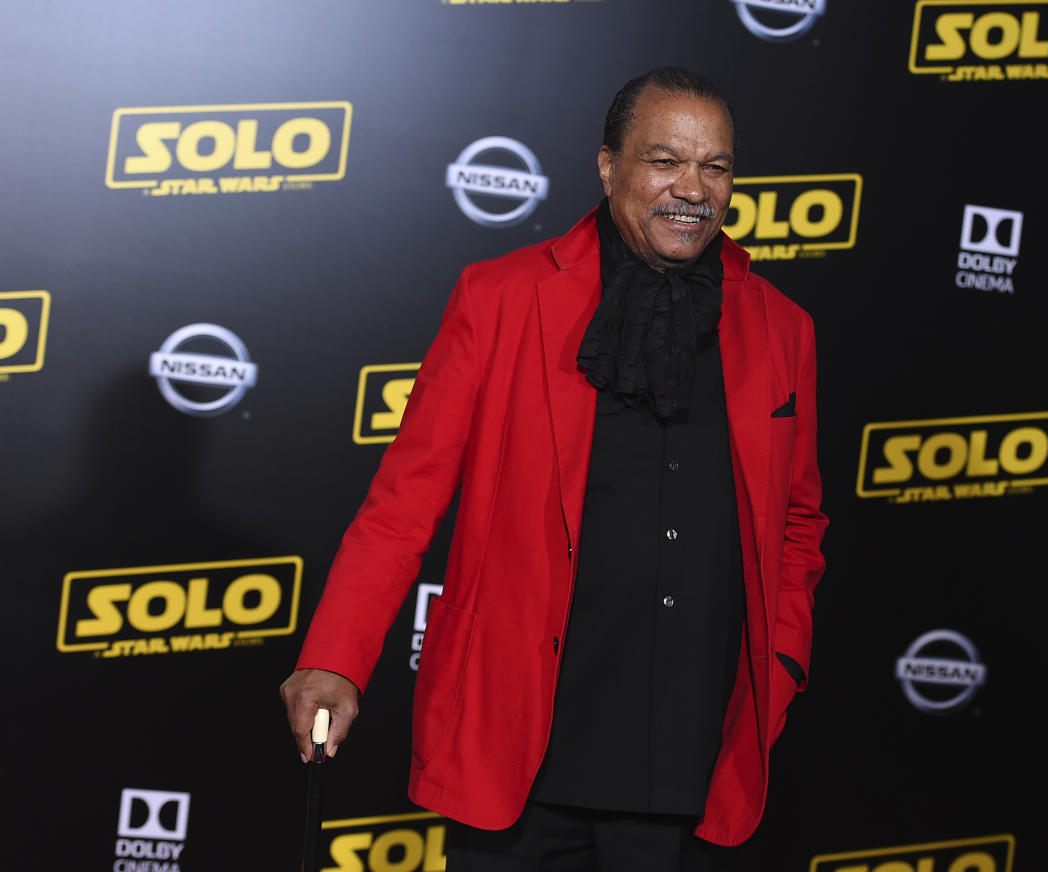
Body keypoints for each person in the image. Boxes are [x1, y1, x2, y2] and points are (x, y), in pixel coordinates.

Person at [281, 67, 828, 870]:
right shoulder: (499, 298)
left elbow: (798, 525)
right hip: (522, 749)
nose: (693, 189)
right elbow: (406, 499)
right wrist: (335, 655)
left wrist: (779, 666)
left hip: (695, 764)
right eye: (665, 160)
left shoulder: (783, 328)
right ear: (609, 166)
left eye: (716, 167)